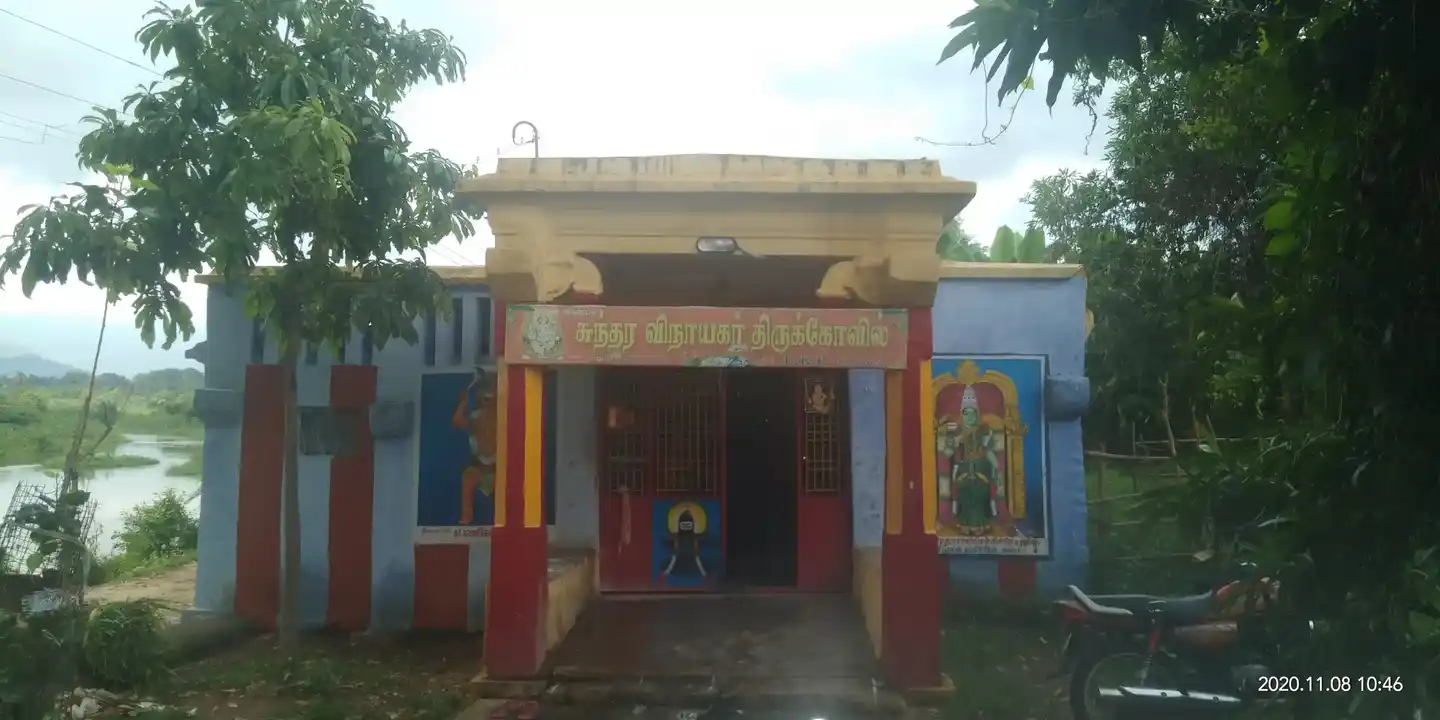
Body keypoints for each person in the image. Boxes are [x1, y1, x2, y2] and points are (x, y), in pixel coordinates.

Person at [451, 367, 498, 525]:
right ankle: (466, 517)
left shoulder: (502, 417)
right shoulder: (476, 417)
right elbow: (458, 421)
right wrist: (463, 402)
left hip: (497, 464)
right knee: (468, 479)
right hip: (480, 463)